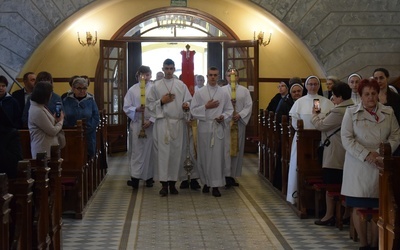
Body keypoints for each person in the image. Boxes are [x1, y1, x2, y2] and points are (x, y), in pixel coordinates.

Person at [341, 78, 400, 250]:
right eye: (366, 94)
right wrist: (366, 155)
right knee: (358, 205)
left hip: (381, 164)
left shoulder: (388, 112)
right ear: (360, 95)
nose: (371, 97)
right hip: (358, 164)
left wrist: (382, 152)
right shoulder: (351, 112)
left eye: (374, 93)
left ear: (379, 94)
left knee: (378, 207)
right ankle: (364, 244)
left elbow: (396, 135)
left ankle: (376, 244)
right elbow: (346, 138)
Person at [147, 58, 192, 196]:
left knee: (176, 153)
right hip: (162, 123)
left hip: (177, 123)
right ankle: (163, 184)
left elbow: (188, 101)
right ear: (162, 69)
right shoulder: (156, 85)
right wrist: (161, 101)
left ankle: (173, 183)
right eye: (166, 68)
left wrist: (186, 106)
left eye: (171, 68)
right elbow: (149, 105)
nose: (168, 71)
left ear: (174, 69)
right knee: (162, 153)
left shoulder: (181, 85)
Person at [311, 82, 354, 226]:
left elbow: (321, 125)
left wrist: (315, 115)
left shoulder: (339, 111)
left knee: (331, 184)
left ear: (340, 97)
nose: (333, 99)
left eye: (334, 96)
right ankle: (345, 214)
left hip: (335, 153)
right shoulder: (352, 108)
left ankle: (329, 215)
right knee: (345, 184)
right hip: (346, 153)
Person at [286, 76, 334, 204]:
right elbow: (294, 119)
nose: (313, 87)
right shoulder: (300, 102)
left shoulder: (325, 102)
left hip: (321, 139)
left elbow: (329, 119)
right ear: (306, 86)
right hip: (302, 140)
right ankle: (296, 196)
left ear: (319, 86)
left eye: (315, 84)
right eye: (310, 84)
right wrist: (302, 131)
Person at [190, 66, 233, 197]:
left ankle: (215, 185)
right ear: (207, 76)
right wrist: (206, 107)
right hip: (204, 127)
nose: (213, 77)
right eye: (211, 75)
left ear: (218, 76)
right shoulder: (200, 93)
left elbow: (229, 110)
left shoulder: (224, 93)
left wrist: (223, 117)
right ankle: (206, 183)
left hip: (217, 127)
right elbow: (193, 110)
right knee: (204, 156)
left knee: (216, 158)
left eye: (215, 75)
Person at [123, 65, 155, 189]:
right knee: (137, 151)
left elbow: (159, 107)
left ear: (150, 75)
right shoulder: (132, 90)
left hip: (150, 125)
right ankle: (135, 178)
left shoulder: (154, 89)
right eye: (142, 75)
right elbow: (126, 107)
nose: (145, 78)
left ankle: (149, 177)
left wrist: (151, 120)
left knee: (150, 151)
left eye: (147, 75)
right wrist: (136, 109)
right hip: (137, 123)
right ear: (138, 75)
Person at [223, 68, 253, 187]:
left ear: (238, 77)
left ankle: (232, 175)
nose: (232, 78)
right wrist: (227, 115)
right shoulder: (221, 91)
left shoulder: (244, 91)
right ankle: (224, 174)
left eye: (234, 75)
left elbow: (248, 105)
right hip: (225, 124)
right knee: (225, 149)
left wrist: (239, 115)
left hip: (238, 123)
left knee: (237, 149)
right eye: (229, 75)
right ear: (226, 77)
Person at [62, 77, 100, 159]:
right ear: (73, 88)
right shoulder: (66, 101)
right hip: (71, 135)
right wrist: (71, 128)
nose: (82, 91)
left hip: (88, 135)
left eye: (84, 88)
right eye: (79, 88)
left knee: (88, 158)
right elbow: (62, 116)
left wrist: (87, 128)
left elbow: (96, 117)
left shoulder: (91, 101)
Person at [28, 81, 64, 159]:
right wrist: (61, 121)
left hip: (49, 148)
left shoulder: (40, 107)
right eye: (50, 92)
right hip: (43, 149)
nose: (51, 95)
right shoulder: (37, 110)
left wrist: (55, 119)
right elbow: (52, 131)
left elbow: (46, 124)